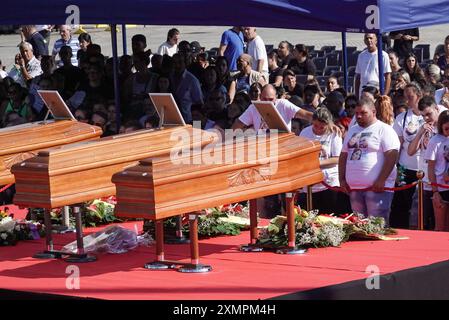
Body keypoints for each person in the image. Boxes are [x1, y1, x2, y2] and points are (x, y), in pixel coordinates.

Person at [339, 97, 400, 223]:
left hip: (377, 189)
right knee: (359, 225)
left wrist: (381, 180)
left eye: (363, 113)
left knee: (376, 225)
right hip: (355, 188)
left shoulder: (384, 129)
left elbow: (392, 155)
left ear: (373, 112)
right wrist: (342, 179)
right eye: (357, 113)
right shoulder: (352, 130)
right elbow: (344, 155)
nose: (359, 116)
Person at [389, 82, 424, 228]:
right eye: (406, 98)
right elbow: (398, 145)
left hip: (424, 168)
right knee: (402, 203)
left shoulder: (430, 113)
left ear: (419, 96)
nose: (407, 101)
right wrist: (395, 168)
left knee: (422, 204)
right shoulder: (402, 118)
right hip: (406, 167)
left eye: (410, 97)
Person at [409, 96, 446, 230]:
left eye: (429, 114)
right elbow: (411, 151)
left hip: (440, 183)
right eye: (423, 116)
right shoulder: (423, 128)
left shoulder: (445, 129)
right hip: (424, 182)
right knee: (417, 221)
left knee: (440, 224)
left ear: (437, 109)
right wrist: (420, 132)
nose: (426, 118)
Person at [297, 107, 343, 214]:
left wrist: (316, 164)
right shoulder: (305, 132)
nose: (318, 130)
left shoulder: (334, 134)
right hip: (309, 183)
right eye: (315, 126)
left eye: (322, 128)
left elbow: (337, 159)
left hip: (328, 183)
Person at [232, 84, 312, 132]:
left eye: (270, 99)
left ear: (276, 97)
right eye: (264, 99)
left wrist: (320, 119)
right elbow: (239, 123)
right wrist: (226, 140)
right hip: (261, 145)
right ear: (260, 97)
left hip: (282, 144)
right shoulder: (254, 107)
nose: (267, 102)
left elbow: (305, 114)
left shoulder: (283, 104)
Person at [425, 110, 449, 231]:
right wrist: (435, 192)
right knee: (440, 228)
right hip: (441, 187)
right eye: (447, 129)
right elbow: (430, 167)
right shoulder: (435, 141)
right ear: (441, 126)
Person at [355, 33, 391, 98]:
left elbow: (388, 76)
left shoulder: (383, 55)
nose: (369, 40)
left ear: (376, 40)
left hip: (377, 92)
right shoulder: (361, 55)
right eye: (367, 38)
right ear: (364, 41)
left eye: (371, 38)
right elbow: (358, 76)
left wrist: (384, 94)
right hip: (363, 93)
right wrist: (357, 95)